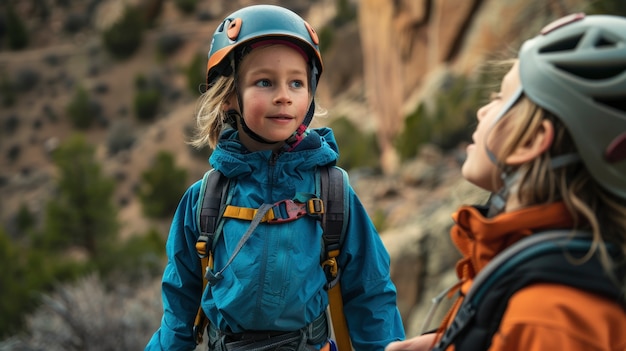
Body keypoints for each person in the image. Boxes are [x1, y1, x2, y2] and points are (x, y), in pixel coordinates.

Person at [145, 4, 405, 351]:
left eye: (296, 82)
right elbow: (179, 309)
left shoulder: (332, 192)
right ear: (229, 97)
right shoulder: (204, 199)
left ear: (309, 94)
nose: (284, 95)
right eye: (264, 82)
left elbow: (370, 293)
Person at [386, 13, 626, 351]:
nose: (483, 111)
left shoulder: (550, 320)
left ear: (531, 142)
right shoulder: (551, 276)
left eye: (500, 98)